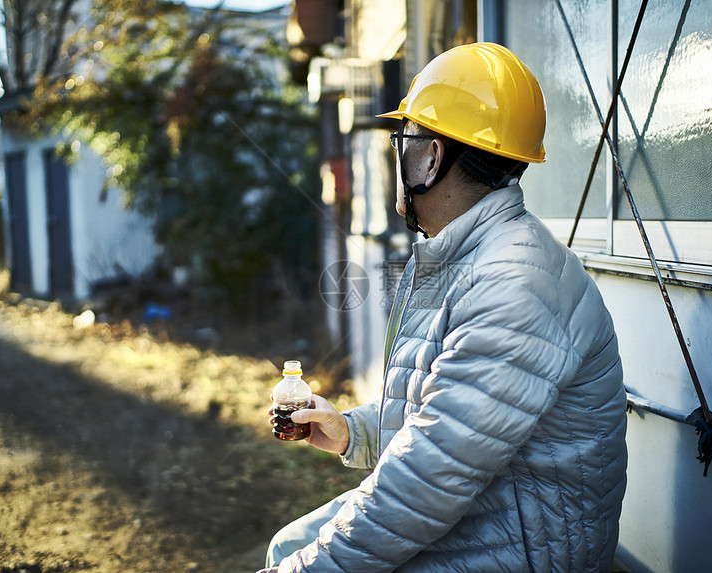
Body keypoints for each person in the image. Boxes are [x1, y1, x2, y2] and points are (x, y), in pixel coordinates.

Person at [259, 42, 627, 573]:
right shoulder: (453, 253)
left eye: (405, 140)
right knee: (287, 544)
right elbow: (440, 419)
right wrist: (353, 431)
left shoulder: (513, 284)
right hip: (486, 509)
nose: (397, 155)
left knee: (298, 559)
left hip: (526, 549)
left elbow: (430, 477)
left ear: (431, 158)